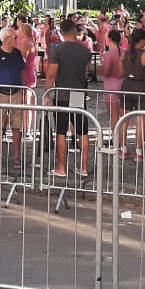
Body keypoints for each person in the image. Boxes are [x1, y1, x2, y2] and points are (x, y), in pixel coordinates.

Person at [45, 17, 93, 178]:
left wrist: (47, 92)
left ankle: (61, 167)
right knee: (83, 130)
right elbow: (85, 71)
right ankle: (84, 167)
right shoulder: (85, 50)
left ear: (61, 32)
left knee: (61, 130)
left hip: (62, 93)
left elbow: (51, 74)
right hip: (79, 92)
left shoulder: (58, 50)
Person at [0, 26, 28, 172]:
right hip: (0, 94)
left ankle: (17, 157)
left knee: (17, 126)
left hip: (16, 93)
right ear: (5, 39)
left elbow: (22, 72)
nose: (16, 40)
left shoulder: (17, 53)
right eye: (14, 37)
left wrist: (24, 91)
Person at [119, 27, 145, 161]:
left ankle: (123, 149)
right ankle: (139, 152)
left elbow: (121, 72)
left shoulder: (124, 54)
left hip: (126, 86)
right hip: (141, 87)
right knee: (140, 121)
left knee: (124, 120)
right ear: (142, 41)